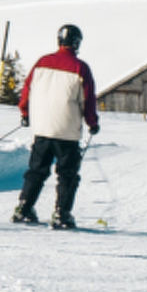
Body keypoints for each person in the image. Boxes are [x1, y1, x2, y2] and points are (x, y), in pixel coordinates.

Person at [12, 23, 98, 229]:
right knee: (67, 174)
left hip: (42, 128)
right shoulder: (80, 68)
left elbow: (27, 89)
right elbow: (88, 100)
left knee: (37, 170)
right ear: (76, 43)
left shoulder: (42, 62)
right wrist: (92, 123)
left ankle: (24, 208)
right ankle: (62, 214)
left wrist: (25, 112)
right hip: (66, 131)